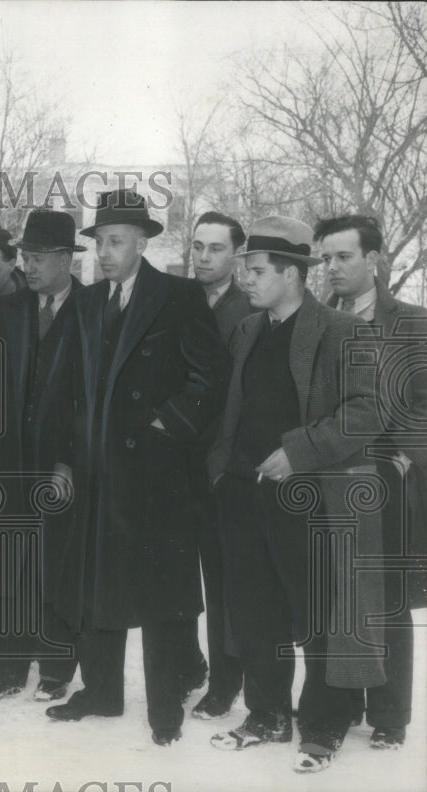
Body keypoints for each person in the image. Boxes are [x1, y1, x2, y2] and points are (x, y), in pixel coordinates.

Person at [46, 190, 229, 748]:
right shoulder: (85, 303)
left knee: (159, 594)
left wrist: (166, 428)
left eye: (116, 241)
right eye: (99, 241)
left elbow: (211, 376)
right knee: (95, 582)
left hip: (156, 477)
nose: (104, 252)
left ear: (142, 243)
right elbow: (62, 387)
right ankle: (100, 692)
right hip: (96, 471)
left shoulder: (177, 296)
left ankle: (165, 707)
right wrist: (62, 458)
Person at [207, 216, 386, 773]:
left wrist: (299, 452)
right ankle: (267, 713)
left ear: (292, 275)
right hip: (245, 493)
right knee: (256, 611)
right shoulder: (247, 331)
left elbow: (367, 412)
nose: (248, 283)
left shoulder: (341, 330)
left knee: (317, 615)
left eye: (257, 272)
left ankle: (325, 723)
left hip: (308, 499)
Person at [315, 213, 427, 751]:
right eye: (326, 258)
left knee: (387, 600)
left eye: (344, 256)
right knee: (334, 596)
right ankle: (338, 706)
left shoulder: (413, 323)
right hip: (325, 485)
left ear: (374, 260)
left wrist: (404, 453)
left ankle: (390, 714)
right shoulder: (315, 323)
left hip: (387, 483)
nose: (332, 267)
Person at [0, 210, 82, 705]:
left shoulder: (91, 310)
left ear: (64, 259)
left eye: (37, 258)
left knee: (57, 566)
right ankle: (4, 669)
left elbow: (91, 398)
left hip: (61, 465)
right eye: (26, 257)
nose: (27, 267)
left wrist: (70, 461)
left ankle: (57, 668)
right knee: (11, 563)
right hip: (10, 463)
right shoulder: (9, 311)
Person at [179, 211, 255, 719]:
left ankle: (228, 681)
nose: (203, 258)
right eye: (198, 247)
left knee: (226, 579)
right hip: (174, 462)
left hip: (224, 466)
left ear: (236, 256)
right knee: (179, 572)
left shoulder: (248, 308)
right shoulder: (177, 299)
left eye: (215, 249)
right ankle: (189, 665)